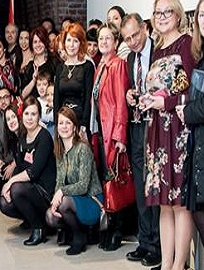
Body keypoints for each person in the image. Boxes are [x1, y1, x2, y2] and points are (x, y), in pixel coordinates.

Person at [142, 0, 194, 270]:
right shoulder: (158, 49)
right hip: (157, 132)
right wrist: (145, 99)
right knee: (163, 202)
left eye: (167, 12)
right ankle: (166, 265)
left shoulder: (187, 44)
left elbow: (193, 92)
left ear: (177, 14)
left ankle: (179, 265)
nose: (161, 17)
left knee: (180, 203)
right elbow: (159, 89)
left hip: (178, 130)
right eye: (157, 12)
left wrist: (167, 103)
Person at [121, 13, 161, 267]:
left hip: (156, 126)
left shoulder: (159, 52)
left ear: (145, 28)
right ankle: (144, 241)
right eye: (127, 38)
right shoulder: (130, 58)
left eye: (135, 35)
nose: (133, 41)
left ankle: (158, 245)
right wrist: (129, 95)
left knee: (154, 187)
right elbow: (131, 88)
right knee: (139, 187)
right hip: (137, 126)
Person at [90, 22, 130, 251]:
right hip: (100, 132)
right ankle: (109, 227)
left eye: (108, 38)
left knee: (115, 182)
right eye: (100, 38)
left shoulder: (118, 64)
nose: (103, 42)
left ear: (115, 42)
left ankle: (117, 231)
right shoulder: (100, 66)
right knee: (107, 181)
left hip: (112, 133)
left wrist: (120, 136)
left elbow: (121, 102)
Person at [46, 107, 104, 256]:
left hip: (91, 200)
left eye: (68, 123)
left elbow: (83, 186)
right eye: (61, 123)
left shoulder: (82, 149)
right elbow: (59, 181)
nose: (64, 127)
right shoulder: (60, 151)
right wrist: (55, 201)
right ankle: (72, 231)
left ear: (74, 127)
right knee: (50, 216)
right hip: (74, 199)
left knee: (64, 202)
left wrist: (61, 192)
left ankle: (80, 236)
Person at [0, 96, 56, 246]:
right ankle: (33, 219)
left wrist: (10, 182)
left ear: (39, 116)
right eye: (26, 113)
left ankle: (39, 228)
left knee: (16, 189)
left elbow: (33, 172)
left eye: (33, 114)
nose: (29, 118)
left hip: (45, 192)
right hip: (30, 188)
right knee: (4, 203)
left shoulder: (44, 137)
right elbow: (20, 167)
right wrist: (8, 187)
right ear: (22, 115)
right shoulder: (23, 137)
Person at [182, 0, 204, 242]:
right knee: (197, 209)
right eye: (201, 15)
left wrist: (186, 111)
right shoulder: (200, 54)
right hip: (198, 142)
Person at [53, 22, 95, 138]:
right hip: (64, 122)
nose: (71, 45)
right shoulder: (60, 68)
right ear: (64, 42)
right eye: (69, 40)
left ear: (81, 43)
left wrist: (84, 125)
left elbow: (88, 99)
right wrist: (57, 123)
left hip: (80, 122)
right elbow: (56, 99)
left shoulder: (87, 67)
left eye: (75, 41)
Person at [0, 99, 20, 195]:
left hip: (21, 166)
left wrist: (13, 165)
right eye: (8, 119)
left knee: (14, 173)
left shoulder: (24, 132)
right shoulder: (10, 134)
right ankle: (6, 192)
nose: (11, 121)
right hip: (8, 161)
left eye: (13, 117)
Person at [21, 26, 57, 99]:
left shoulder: (53, 62)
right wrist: (34, 80)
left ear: (45, 42)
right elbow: (23, 95)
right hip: (33, 104)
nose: (38, 45)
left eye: (40, 41)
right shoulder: (30, 66)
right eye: (35, 42)